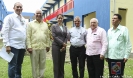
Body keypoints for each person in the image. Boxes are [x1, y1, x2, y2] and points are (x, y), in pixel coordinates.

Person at [1, 2, 26, 78]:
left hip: (22, 46)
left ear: (22, 9)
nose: (19, 8)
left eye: (20, 7)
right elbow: (5, 31)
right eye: (17, 7)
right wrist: (7, 45)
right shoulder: (9, 17)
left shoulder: (23, 19)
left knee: (19, 64)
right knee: (12, 65)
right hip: (13, 45)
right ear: (14, 8)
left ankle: (18, 77)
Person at [26, 9, 50, 78]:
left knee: (42, 64)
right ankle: (35, 76)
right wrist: (29, 46)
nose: (38, 15)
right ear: (34, 15)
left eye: (40, 13)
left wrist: (48, 45)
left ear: (42, 15)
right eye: (37, 13)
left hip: (43, 47)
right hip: (34, 48)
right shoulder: (30, 24)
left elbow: (47, 36)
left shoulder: (45, 24)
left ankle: (41, 76)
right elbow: (28, 36)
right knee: (34, 65)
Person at [51, 14, 67, 78]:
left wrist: (64, 44)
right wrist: (62, 43)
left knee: (62, 62)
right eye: (59, 18)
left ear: (63, 19)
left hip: (63, 47)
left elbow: (66, 36)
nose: (60, 19)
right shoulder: (54, 26)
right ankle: (56, 76)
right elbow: (54, 36)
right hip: (56, 46)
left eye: (61, 18)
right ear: (56, 19)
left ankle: (61, 76)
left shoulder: (65, 27)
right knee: (56, 63)